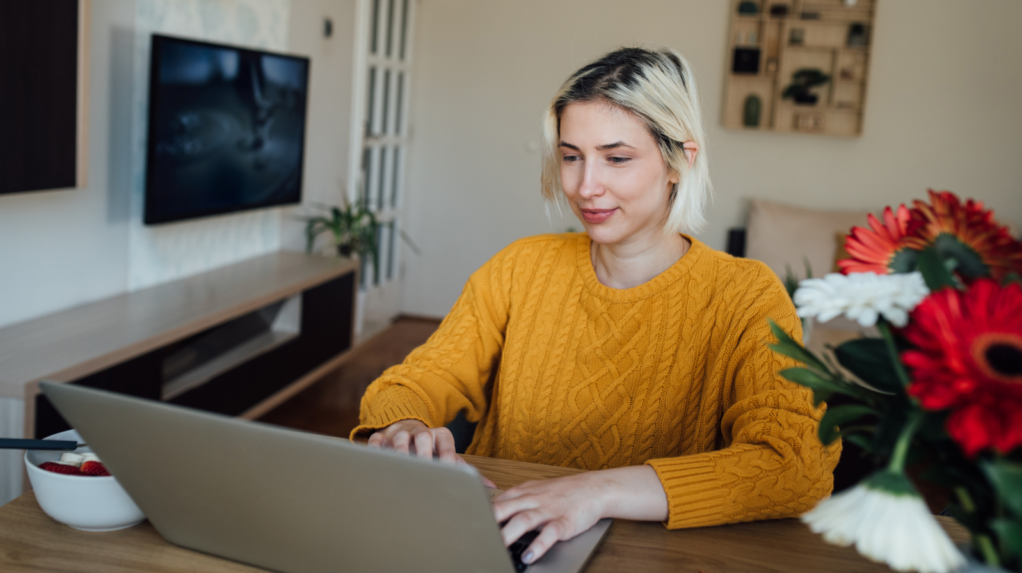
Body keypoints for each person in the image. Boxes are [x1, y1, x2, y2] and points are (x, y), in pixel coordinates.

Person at [351, 46, 840, 566]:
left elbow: (795, 462)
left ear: (680, 161)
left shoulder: (746, 295)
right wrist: (402, 425)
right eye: (571, 156)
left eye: (617, 158)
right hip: (504, 542)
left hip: (651, 556)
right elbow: (412, 383)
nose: (586, 187)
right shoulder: (521, 268)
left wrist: (593, 492)